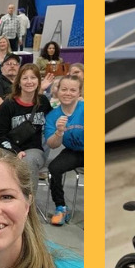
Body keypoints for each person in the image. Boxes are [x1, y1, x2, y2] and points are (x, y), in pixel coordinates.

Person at [0, 64, 52, 182]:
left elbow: (55, 119)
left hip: (34, 150)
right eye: (25, 78)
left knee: (28, 161)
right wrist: (16, 151)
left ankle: (28, 199)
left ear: (38, 81)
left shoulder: (43, 101)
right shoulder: (8, 105)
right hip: (9, 148)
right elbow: (1, 137)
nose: (29, 81)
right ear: (19, 82)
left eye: (33, 78)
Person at [44, 76, 83, 226]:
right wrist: (59, 132)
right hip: (73, 151)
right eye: (64, 89)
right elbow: (52, 145)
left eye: (73, 90)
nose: (68, 93)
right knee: (54, 168)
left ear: (79, 93)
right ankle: (61, 207)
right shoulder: (53, 116)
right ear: (57, 91)